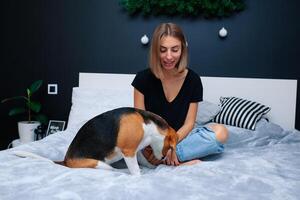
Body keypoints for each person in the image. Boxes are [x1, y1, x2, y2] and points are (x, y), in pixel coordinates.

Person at [131, 22, 228, 166]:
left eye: (174, 50)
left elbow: (189, 123)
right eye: (163, 50)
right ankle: (175, 160)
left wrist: (172, 146)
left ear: (182, 50)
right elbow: (141, 125)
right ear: (155, 51)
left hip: (180, 139)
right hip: (149, 144)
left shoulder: (193, 80)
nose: (169, 56)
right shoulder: (142, 79)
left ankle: (171, 158)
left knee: (221, 132)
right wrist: (153, 148)